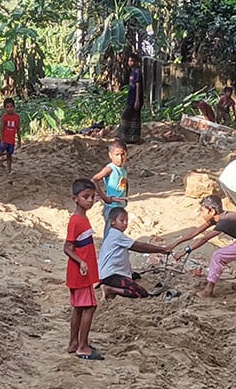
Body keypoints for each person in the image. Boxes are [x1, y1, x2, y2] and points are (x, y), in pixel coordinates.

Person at [65, 179, 102, 360]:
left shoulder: (82, 219)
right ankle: (82, 345)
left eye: (92, 197)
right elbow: (67, 247)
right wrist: (81, 262)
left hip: (82, 272)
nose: (90, 200)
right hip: (81, 273)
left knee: (79, 308)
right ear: (75, 199)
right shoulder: (76, 221)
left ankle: (74, 342)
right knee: (90, 306)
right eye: (85, 197)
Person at [97, 207, 171, 298]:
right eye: (122, 220)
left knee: (136, 276)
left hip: (108, 274)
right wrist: (162, 250)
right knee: (141, 293)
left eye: (127, 220)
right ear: (112, 222)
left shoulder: (112, 235)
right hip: (112, 275)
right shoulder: (117, 235)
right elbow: (139, 246)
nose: (125, 223)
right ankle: (110, 289)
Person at [92, 140, 128, 234]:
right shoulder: (110, 169)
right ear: (110, 155)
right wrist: (105, 198)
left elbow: (124, 183)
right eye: (117, 155)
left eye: (122, 154)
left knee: (118, 231)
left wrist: (125, 199)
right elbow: (94, 180)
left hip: (120, 206)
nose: (120, 158)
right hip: (111, 207)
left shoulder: (123, 169)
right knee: (110, 233)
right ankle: (106, 248)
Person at [0, 97, 21, 173]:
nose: (9, 109)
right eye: (7, 107)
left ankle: (9, 170)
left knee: (9, 154)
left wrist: (19, 140)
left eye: (11, 107)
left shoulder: (16, 117)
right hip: (4, 139)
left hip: (12, 140)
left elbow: (18, 129)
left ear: (14, 107)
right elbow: (1, 129)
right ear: (5, 108)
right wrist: (1, 139)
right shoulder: (4, 117)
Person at [119, 54, 144, 145]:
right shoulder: (132, 71)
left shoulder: (137, 72)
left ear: (137, 62)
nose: (130, 63)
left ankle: (129, 137)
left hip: (135, 98)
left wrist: (137, 100)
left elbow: (138, 86)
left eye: (132, 61)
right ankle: (130, 137)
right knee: (133, 118)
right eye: (129, 61)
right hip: (131, 98)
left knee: (126, 116)